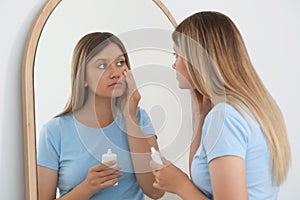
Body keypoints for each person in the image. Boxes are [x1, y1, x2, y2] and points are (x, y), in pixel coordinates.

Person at [150, 11, 291, 200]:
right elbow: (203, 178)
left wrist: (179, 185)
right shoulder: (247, 108)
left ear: (197, 60)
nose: (174, 65)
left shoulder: (225, 117)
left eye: (177, 55)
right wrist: (200, 112)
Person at [37, 32, 164, 200]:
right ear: (83, 78)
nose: (115, 73)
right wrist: (87, 188)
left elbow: (156, 191)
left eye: (120, 63)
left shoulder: (139, 118)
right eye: (102, 66)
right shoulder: (54, 131)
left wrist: (129, 117)